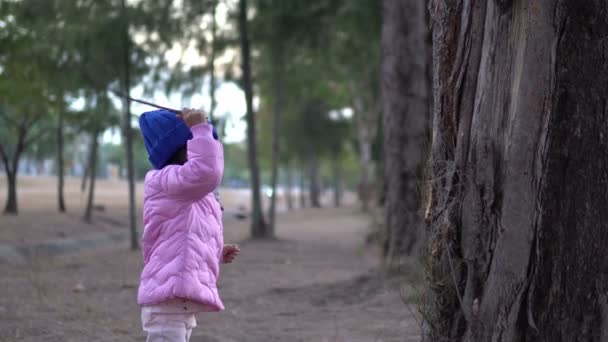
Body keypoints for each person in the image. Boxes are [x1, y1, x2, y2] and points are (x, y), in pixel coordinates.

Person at [137, 108, 240, 342]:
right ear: (178, 148)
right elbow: (207, 171)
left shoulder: (190, 192)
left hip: (178, 301)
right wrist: (200, 129)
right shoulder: (165, 180)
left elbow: (186, 234)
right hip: (167, 300)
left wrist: (215, 251)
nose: (202, 143)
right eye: (193, 140)